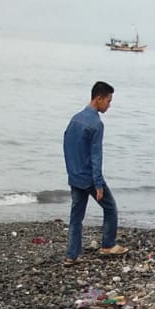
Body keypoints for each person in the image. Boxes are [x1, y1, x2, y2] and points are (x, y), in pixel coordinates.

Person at [62, 80, 127, 265]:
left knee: (76, 217)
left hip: (75, 175)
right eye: (108, 100)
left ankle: (71, 256)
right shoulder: (96, 124)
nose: (109, 105)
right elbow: (96, 155)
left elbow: (67, 146)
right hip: (89, 177)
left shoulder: (75, 118)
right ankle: (108, 245)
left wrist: (71, 172)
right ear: (98, 98)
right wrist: (98, 183)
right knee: (110, 208)